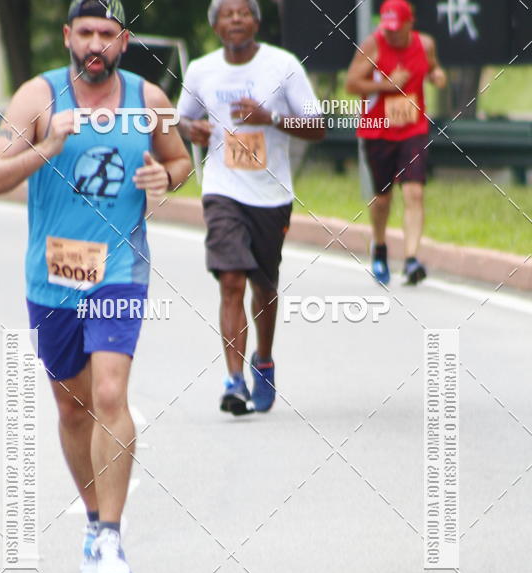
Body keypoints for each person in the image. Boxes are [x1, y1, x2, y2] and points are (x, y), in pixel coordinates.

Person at [0, 0, 192, 573]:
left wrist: (166, 177)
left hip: (120, 270)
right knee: (73, 407)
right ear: (69, 36)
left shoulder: (149, 100)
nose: (96, 43)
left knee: (111, 393)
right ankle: (94, 523)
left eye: (108, 34)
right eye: (87, 32)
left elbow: (180, 160)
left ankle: (113, 540)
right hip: (53, 277)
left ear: (124, 41)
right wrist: (47, 147)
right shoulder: (38, 97)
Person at [178, 0, 325, 416]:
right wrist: (192, 129)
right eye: (227, 14)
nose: (236, 19)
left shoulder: (283, 65)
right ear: (215, 26)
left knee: (263, 286)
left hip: (271, 195)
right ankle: (233, 380)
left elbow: (317, 126)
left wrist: (271, 118)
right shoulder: (201, 70)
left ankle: (264, 359)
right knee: (230, 280)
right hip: (222, 190)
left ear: (257, 22)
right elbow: (179, 119)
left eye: (244, 12)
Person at [346, 0, 446, 285]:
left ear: (410, 23)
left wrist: (436, 75)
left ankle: (411, 259)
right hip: (378, 131)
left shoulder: (425, 45)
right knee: (383, 198)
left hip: (413, 128)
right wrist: (386, 85)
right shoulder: (373, 45)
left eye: (396, 28)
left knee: (414, 192)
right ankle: (379, 246)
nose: (390, 34)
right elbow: (351, 84)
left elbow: (433, 68)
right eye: (386, 28)